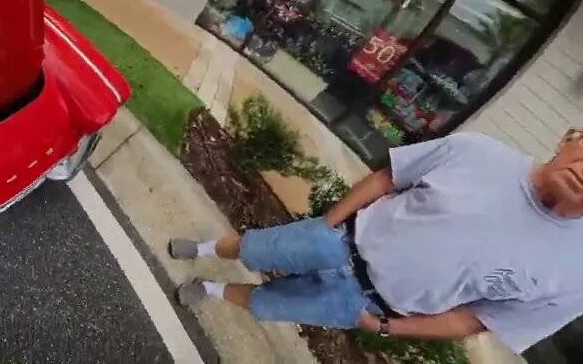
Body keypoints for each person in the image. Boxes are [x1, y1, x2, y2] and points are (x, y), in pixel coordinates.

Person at [168, 130, 583, 354]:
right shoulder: (478, 151)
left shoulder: (574, 276)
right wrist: (328, 223)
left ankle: (212, 289)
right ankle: (205, 249)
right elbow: (390, 176)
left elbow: (474, 321)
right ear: (569, 138)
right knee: (255, 248)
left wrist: (385, 327)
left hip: (366, 305)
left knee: (267, 303)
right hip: (338, 240)